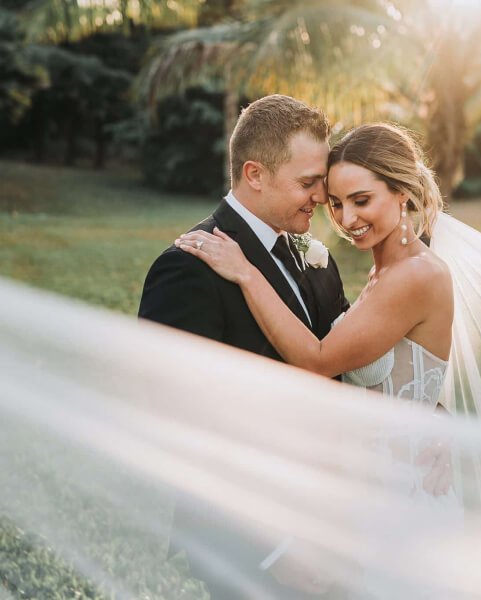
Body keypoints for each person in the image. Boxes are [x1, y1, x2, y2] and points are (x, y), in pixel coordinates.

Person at [139, 99, 450, 598]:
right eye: (310, 185)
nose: (323, 201)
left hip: (343, 522)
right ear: (255, 174)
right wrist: (274, 547)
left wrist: (429, 416)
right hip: (252, 547)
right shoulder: (190, 266)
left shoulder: (313, 256)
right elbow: (177, 418)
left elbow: (357, 362)